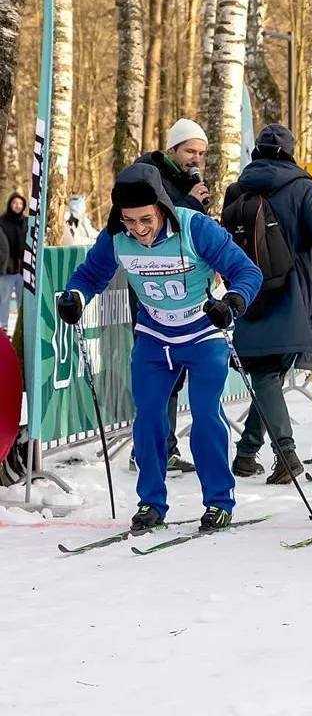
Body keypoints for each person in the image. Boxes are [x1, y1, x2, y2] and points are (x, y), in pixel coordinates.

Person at [57, 163, 262, 530]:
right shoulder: (116, 236)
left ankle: (219, 501)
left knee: (204, 415)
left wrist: (231, 303)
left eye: (146, 219)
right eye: (129, 220)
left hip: (202, 335)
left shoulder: (194, 228)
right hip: (154, 337)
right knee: (149, 419)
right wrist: (75, 296)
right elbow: (90, 276)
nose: (138, 229)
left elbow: (248, 272)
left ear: (162, 209)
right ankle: (151, 502)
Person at [228, 124, 312, 483]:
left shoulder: (236, 189)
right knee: (267, 374)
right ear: (290, 152)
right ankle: (286, 454)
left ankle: (245, 453)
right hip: (295, 293)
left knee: (265, 372)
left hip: (248, 290)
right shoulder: (301, 187)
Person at [135, 118, 211, 214]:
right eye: (190, 151)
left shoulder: (185, 178)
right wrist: (191, 203)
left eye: (201, 153)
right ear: (171, 150)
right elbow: (149, 220)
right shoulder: (146, 175)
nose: (197, 160)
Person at [0, 193, 26, 331]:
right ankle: (3, 329)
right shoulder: (2, 222)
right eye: (15, 203)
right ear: (10, 204)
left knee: (23, 303)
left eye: (20, 203)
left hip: (23, 270)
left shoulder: (27, 222)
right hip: (5, 270)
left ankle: (22, 330)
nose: (18, 206)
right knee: (3, 301)